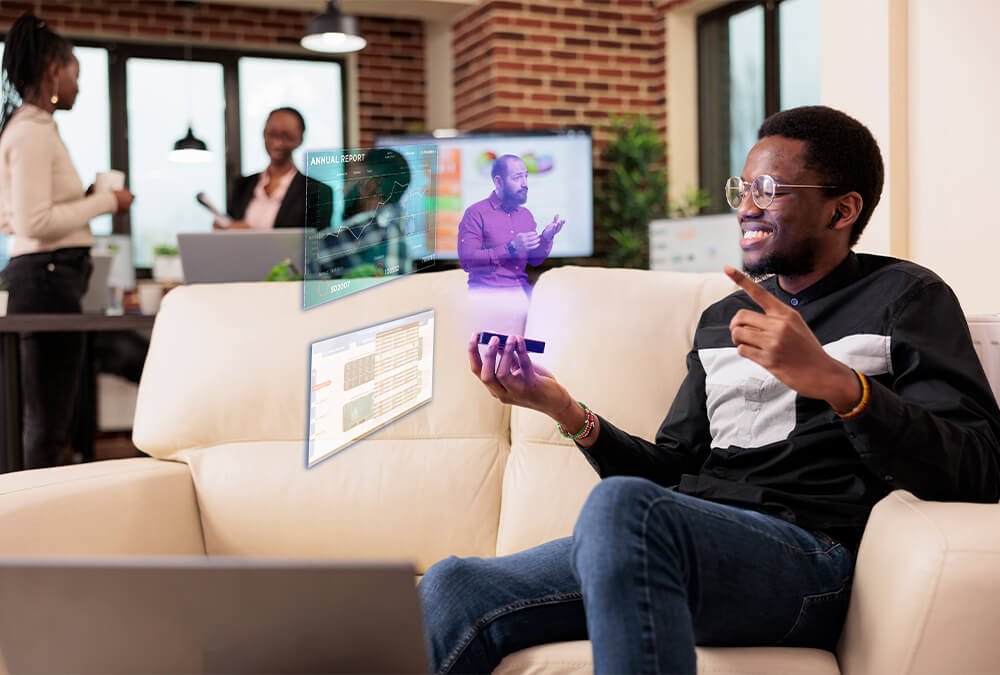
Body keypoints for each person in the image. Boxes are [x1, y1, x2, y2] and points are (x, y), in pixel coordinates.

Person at [419, 105, 1000, 673]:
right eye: (742, 189)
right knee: (454, 584)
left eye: (768, 190)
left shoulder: (904, 297)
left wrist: (838, 384)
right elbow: (669, 474)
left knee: (625, 511)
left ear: (842, 209)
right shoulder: (723, 319)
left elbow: (980, 465)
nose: (746, 208)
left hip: (812, 557)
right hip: (688, 534)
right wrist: (563, 409)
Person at [0, 13, 134, 469]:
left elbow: (16, 218)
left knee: (47, 416)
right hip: (47, 278)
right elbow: (34, 222)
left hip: (45, 277)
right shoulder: (32, 132)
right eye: (76, 73)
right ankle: (38, 506)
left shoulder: (27, 128)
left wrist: (87, 200)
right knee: (48, 421)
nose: (79, 85)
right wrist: (105, 202)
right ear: (54, 71)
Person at [457, 154, 565, 293]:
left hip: (521, 292)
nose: (525, 183)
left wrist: (546, 237)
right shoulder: (475, 213)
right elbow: (467, 261)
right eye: (517, 177)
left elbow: (534, 260)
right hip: (486, 295)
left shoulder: (526, 215)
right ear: (499, 182)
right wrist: (510, 248)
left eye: (526, 176)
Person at [218, 106, 332, 231]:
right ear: (264, 133)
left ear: (299, 139)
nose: (278, 143)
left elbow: (317, 240)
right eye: (272, 134)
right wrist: (224, 228)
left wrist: (251, 231)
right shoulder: (242, 185)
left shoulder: (317, 192)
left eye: (286, 136)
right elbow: (231, 226)